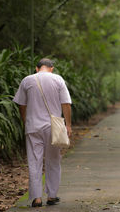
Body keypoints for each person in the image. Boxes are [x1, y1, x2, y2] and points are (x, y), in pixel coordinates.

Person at [13, 58, 72, 207]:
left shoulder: (27, 80)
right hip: (53, 128)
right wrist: (68, 125)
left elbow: (21, 104)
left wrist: (26, 121)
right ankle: (51, 196)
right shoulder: (58, 79)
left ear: (37, 68)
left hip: (33, 127)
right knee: (53, 160)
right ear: (51, 68)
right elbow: (66, 103)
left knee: (34, 161)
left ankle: (37, 198)